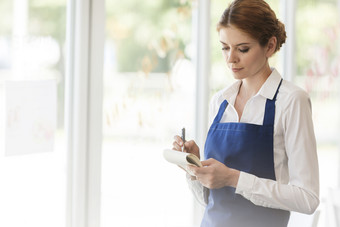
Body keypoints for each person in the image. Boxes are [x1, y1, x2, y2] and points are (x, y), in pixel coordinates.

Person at [171, 0, 320, 226]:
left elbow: (307, 199)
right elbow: (211, 201)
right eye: (224, 47)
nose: (230, 58)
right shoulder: (220, 101)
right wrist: (195, 169)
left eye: (242, 49)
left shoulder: (291, 101)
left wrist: (233, 178)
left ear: (270, 46)